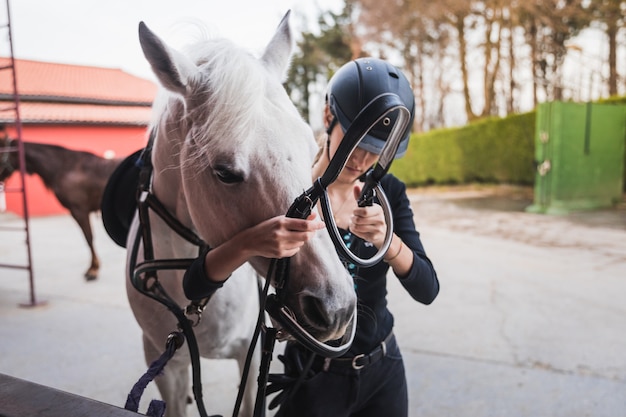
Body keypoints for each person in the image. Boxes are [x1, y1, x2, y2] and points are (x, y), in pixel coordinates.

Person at [183, 57, 439, 417]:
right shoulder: (287, 189)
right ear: (327, 118)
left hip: (384, 369)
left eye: (379, 148)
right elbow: (195, 286)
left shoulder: (388, 193)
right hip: (313, 378)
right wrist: (247, 243)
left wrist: (390, 242)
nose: (363, 158)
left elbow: (427, 289)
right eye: (357, 138)